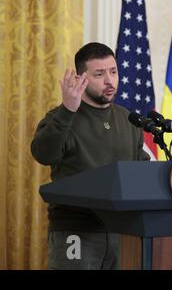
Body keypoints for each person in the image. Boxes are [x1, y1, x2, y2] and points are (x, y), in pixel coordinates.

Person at [31, 42, 150, 270]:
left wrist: (167, 171)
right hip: (76, 230)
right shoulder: (60, 116)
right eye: (99, 74)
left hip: (122, 231)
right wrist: (68, 109)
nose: (109, 80)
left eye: (113, 72)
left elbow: (138, 170)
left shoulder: (128, 119)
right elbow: (43, 153)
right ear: (80, 78)